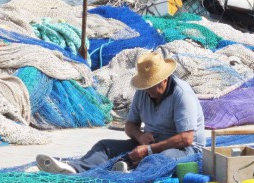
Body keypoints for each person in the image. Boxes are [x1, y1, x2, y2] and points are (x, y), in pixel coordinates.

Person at [36, 51, 205, 174]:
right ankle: (74, 168)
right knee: (104, 146)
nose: (150, 91)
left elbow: (186, 138)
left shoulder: (182, 94)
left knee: (158, 159)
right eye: (147, 86)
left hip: (185, 150)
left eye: (153, 85)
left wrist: (150, 150)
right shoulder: (142, 91)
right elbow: (130, 126)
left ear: (165, 78)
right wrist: (140, 137)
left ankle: (131, 173)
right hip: (151, 145)